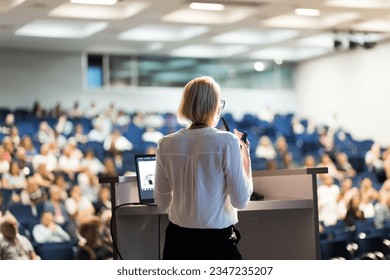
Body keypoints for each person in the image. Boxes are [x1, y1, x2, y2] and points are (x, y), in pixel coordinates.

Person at [154, 76, 253, 260]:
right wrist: (245, 158)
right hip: (216, 244)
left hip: (177, 243)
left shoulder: (165, 143)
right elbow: (241, 201)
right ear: (214, 106)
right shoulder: (228, 141)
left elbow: (162, 203)